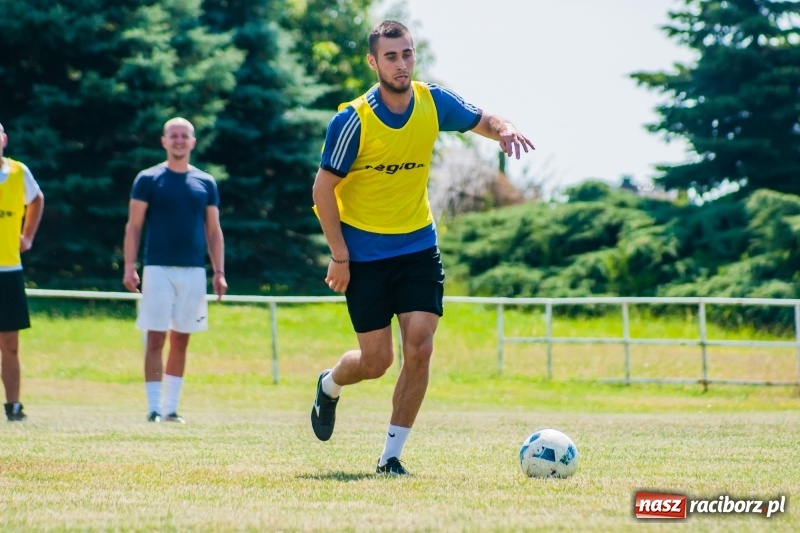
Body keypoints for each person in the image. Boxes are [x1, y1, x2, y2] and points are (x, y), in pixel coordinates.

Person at [310, 20, 535, 475]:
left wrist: (505, 127)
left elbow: (482, 120)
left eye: (407, 53)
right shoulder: (353, 120)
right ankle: (330, 384)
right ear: (373, 62)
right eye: (391, 56)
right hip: (365, 256)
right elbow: (322, 191)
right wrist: (339, 255)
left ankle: (390, 458)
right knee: (376, 361)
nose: (401, 63)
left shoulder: (433, 102)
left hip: (417, 248)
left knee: (419, 346)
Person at [123, 117, 227, 423]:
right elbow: (134, 226)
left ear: (192, 142)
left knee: (182, 338)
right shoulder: (148, 179)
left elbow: (214, 230)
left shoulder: (205, 182)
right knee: (155, 338)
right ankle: (153, 407)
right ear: (164, 141)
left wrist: (218, 271)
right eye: (173, 136)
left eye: (184, 136)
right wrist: (130, 266)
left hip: (194, 271)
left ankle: (171, 409)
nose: (179, 140)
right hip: (157, 269)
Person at [0, 122, 45, 422]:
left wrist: (27, 237)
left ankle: (13, 406)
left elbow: (37, 199)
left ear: (3, 139)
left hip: (8, 268)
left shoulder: (19, 172)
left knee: (10, 342)